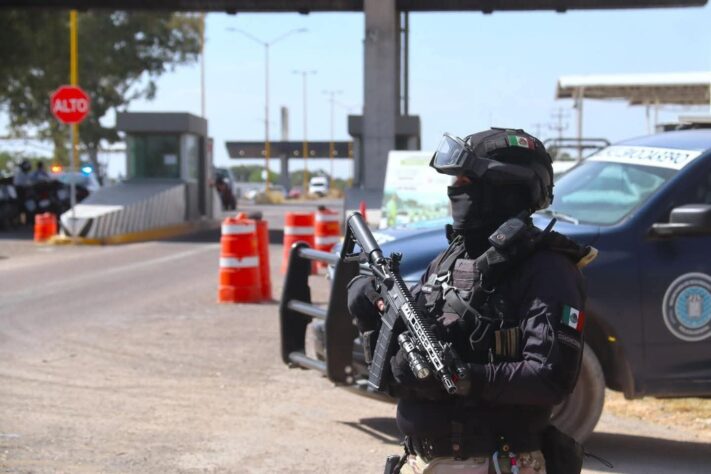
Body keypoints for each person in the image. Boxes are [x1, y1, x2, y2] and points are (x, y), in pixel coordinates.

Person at [347, 128, 595, 474]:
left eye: (467, 180)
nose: (455, 189)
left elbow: (550, 377)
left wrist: (468, 377)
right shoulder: (453, 257)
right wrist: (373, 305)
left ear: (505, 187)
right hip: (423, 460)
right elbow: (406, 346)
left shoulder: (548, 269)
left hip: (493, 462)